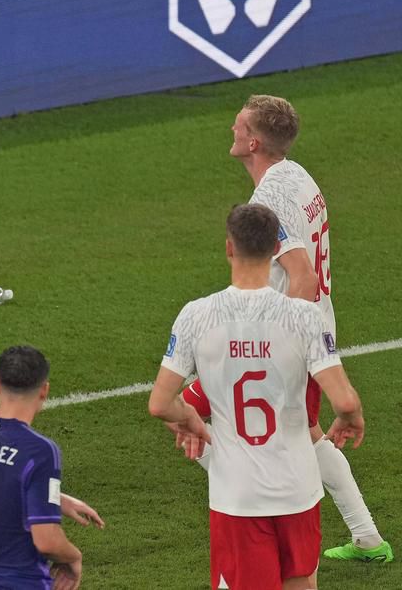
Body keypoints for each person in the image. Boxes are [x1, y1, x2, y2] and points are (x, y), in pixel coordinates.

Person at [179, 95, 392, 563]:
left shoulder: (269, 197)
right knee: (308, 435)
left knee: (179, 412)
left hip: (285, 342)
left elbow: (304, 277)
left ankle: (243, 493)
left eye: (239, 124)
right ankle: (368, 540)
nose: (232, 128)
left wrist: (273, 340)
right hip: (313, 335)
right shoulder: (297, 175)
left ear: (253, 141)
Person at [150, 203, 366, 590]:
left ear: (229, 248)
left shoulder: (197, 315)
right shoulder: (304, 317)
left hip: (238, 496)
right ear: (274, 251)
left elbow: (160, 404)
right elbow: (345, 402)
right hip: (298, 489)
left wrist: (192, 421)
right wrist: (351, 418)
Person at [0, 345, 105, 590]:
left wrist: (54, 499)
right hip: (18, 582)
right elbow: (47, 541)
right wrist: (74, 557)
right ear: (44, 390)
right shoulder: (39, 450)